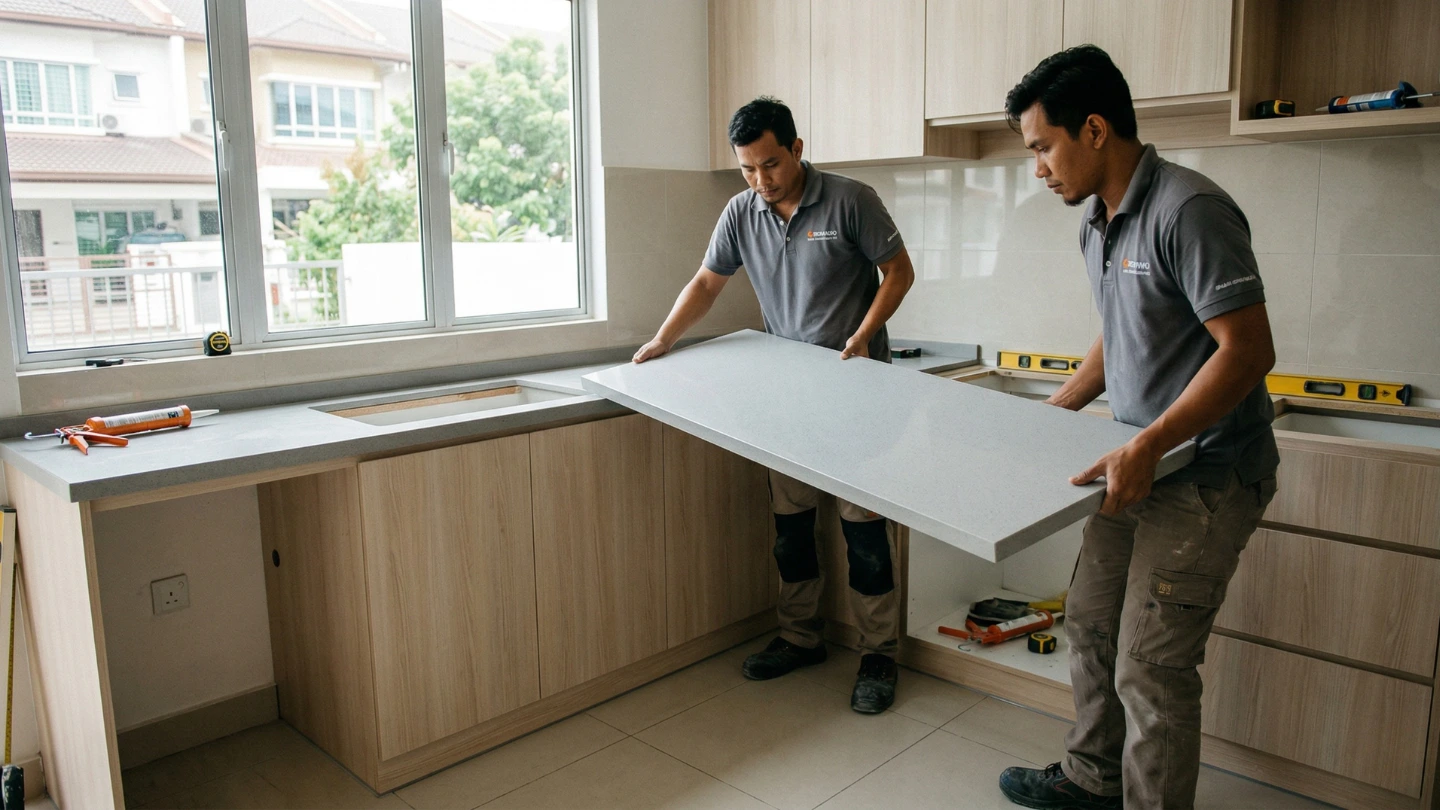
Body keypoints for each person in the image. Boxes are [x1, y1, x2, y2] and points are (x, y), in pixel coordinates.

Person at [994, 46, 1280, 810]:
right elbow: (1119, 334)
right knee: (1088, 625)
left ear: (1092, 130)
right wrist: (1060, 407)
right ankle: (1092, 780)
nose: (1038, 169)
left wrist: (1150, 442)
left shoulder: (1189, 210)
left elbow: (1248, 350)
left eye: (1042, 148)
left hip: (1208, 475)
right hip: (1135, 465)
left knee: (1149, 668)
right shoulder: (1099, 221)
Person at [633, 96, 916, 713]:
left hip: (856, 394)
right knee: (791, 532)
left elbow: (898, 271)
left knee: (864, 535)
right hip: (786, 401)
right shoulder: (741, 212)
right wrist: (664, 338)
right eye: (747, 169)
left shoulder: (851, 201)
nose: (760, 180)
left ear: (797, 149)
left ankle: (878, 654)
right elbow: (708, 281)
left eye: (770, 165)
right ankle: (799, 637)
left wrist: (864, 333)